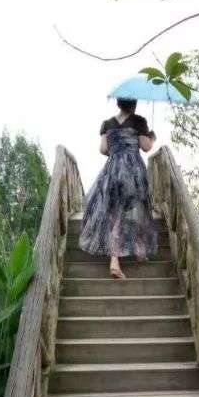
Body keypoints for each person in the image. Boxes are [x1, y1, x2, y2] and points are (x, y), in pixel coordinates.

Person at [79, 98, 158, 279]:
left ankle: (119, 258)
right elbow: (146, 147)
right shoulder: (139, 121)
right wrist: (152, 138)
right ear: (134, 104)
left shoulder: (107, 124)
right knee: (138, 208)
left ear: (118, 103)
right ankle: (135, 252)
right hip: (133, 171)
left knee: (115, 215)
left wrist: (117, 150)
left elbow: (103, 149)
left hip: (113, 170)